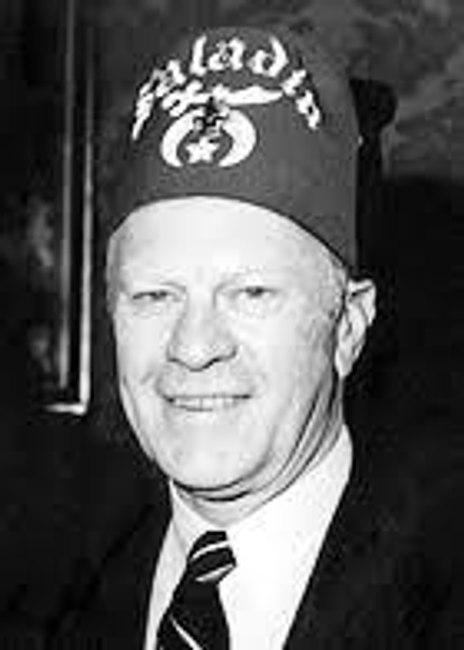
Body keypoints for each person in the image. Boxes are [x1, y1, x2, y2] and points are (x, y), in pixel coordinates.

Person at [3, 21, 464, 648]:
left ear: (349, 327)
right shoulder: (47, 585)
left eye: (251, 294)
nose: (193, 347)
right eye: (154, 296)